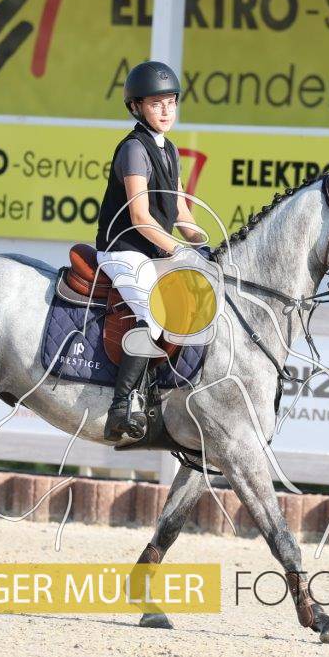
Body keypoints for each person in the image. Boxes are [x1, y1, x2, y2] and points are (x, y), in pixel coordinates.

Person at [96, 60, 207, 441]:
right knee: (155, 317)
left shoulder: (169, 149)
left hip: (154, 253)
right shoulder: (133, 149)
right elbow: (141, 217)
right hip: (124, 250)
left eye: (171, 102)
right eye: (156, 104)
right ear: (136, 107)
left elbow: (179, 211)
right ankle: (121, 405)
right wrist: (179, 250)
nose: (166, 111)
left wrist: (204, 244)